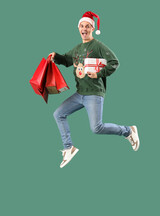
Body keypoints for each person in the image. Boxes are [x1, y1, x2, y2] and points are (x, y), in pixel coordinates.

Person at [50, 11, 140, 168]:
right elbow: (66, 59)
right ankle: (68, 148)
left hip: (94, 93)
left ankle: (128, 131)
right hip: (80, 94)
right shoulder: (78, 48)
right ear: (78, 28)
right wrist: (56, 56)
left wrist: (98, 73)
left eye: (87, 26)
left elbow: (114, 62)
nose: (84, 29)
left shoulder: (98, 46)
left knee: (96, 128)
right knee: (58, 113)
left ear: (92, 28)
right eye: (81, 26)